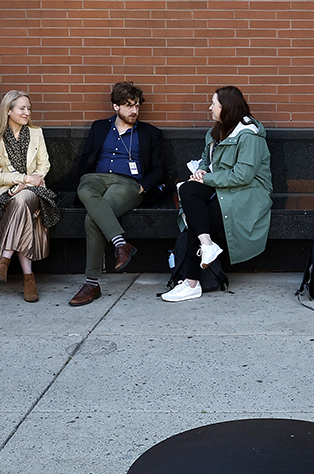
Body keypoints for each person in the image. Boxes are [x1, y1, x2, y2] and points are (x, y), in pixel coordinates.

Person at [160, 86, 271, 303]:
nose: (210, 107)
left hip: (248, 192)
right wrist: (201, 170)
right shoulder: (215, 132)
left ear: (226, 107)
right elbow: (206, 159)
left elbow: (244, 175)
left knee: (197, 221)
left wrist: (206, 178)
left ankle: (192, 283)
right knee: (187, 189)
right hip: (224, 186)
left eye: (214, 103)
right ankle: (207, 246)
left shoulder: (249, 135)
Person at [69, 80, 169, 307]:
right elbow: (85, 159)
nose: (134, 110)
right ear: (116, 107)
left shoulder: (150, 133)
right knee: (85, 189)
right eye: (128, 105)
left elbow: (160, 169)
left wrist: (142, 186)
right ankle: (121, 244)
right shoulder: (99, 127)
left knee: (92, 218)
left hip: (127, 184)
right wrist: (84, 177)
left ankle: (91, 283)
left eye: (136, 106)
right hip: (94, 180)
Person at [0, 90, 57, 303]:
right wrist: (24, 180)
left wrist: (28, 183)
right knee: (20, 205)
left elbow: (44, 164)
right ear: (8, 111)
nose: (27, 112)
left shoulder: (36, 133)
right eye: (22, 108)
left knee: (21, 200)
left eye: (29, 108)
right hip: (1, 194)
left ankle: (5, 259)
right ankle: (29, 277)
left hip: (33, 191)